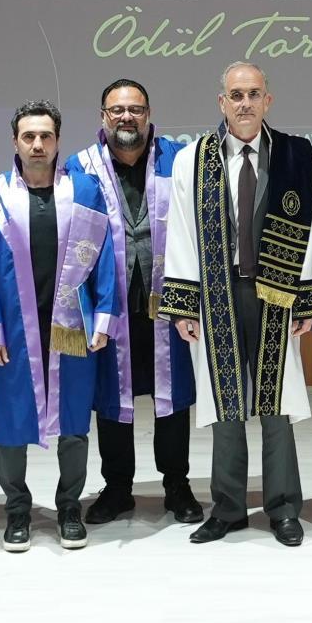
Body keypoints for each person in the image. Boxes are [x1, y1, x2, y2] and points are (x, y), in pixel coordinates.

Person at [159, 60, 312, 547]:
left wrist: (306, 299)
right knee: (225, 402)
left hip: (276, 292)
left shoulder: (294, 154)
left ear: (268, 101)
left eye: (254, 94)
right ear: (222, 102)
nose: (245, 103)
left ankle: (283, 508)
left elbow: (307, 231)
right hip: (219, 291)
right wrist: (183, 305)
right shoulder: (192, 159)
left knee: (276, 403)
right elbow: (181, 233)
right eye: (236, 95)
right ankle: (228, 508)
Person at [0, 102, 119, 552]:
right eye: (29, 136)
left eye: (46, 136)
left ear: (58, 141)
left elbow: (104, 257)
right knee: (11, 421)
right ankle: (17, 510)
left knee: (73, 421)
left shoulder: (84, 190)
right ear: (14, 141)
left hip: (71, 324)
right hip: (15, 328)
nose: (37, 145)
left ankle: (69, 507)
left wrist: (105, 316)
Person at [68, 79, 202, 526]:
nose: (127, 117)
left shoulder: (179, 160)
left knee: (173, 396)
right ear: (103, 117)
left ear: (149, 114)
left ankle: (177, 484)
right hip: (111, 302)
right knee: (112, 396)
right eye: (117, 110)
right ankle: (118, 488)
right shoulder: (81, 168)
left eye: (136, 109)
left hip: (168, 303)